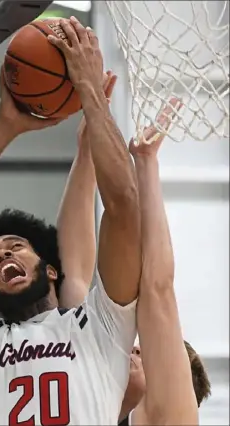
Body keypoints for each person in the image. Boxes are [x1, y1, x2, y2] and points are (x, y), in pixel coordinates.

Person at [0, 18, 142, 425]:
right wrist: (4, 127)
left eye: (16, 246)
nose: (1, 252)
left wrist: (91, 94)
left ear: (51, 269)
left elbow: (124, 205)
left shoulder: (99, 324)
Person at [59, 91, 211, 424]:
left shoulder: (174, 419)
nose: (137, 347)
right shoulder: (94, 403)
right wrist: (86, 153)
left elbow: (158, 289)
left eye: (158, 357)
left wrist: (146, 163)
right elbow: (76, 275)